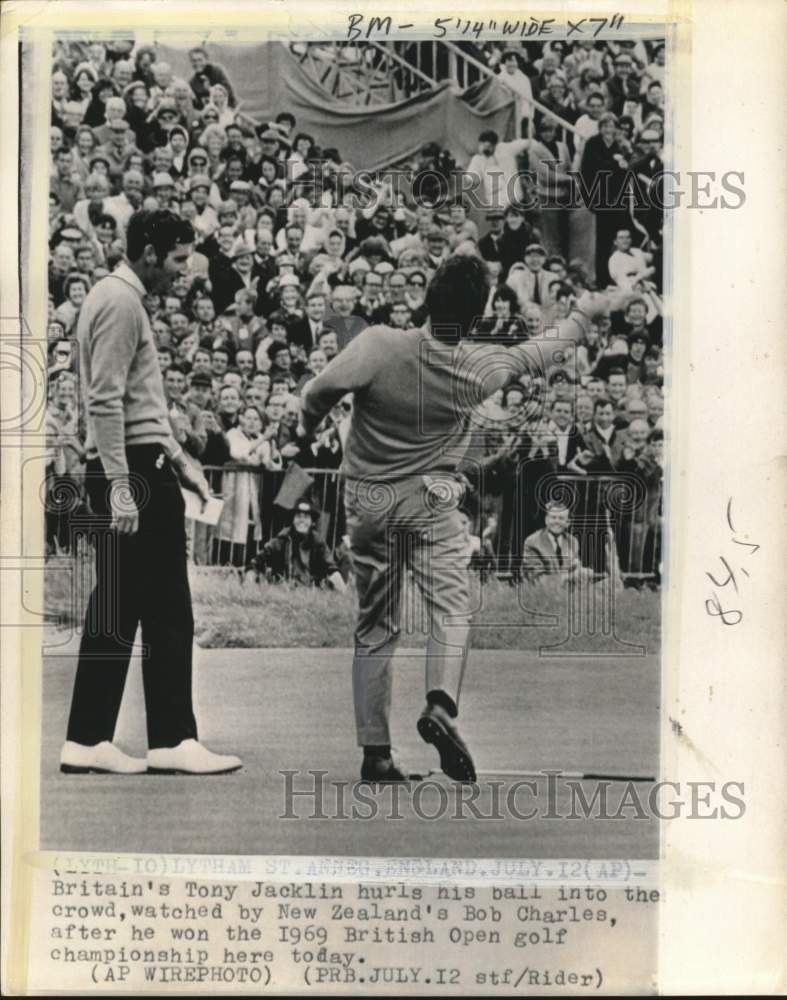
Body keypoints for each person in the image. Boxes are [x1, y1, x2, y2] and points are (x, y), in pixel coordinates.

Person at [300, 254, 611, 783]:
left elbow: (316, 392)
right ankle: (441, 704)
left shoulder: (378, 343)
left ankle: (376, 753)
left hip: (369, 503)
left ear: (428, 296)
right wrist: (583, 312)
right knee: (452, 606)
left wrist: (309, 427)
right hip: (430, 502)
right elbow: (543, 350)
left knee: (375, 625)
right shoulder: (477, 367)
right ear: (476, 315)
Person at [61, 209, 242, 776]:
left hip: (138, 461)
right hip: (132, 470)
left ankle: (87, 739)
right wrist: (121, 487)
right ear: (146, 253)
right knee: (167, 607)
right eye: (178, 258)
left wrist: (181, 461)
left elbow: (132, 402)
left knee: (118, 605)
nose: (185, 270)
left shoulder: (116, 298)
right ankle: (170, 740)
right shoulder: (120, 302)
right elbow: (105, 400)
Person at [250, 502, 347, 590]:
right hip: (284, 588)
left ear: (312, 522)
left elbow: (331, 568)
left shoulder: (318, 542)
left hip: (312, 591)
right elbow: (256, 563)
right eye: (298, 516)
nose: (302, 520)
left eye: (306, 517)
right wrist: (250, 581)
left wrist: (343, 592)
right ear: (293, 520)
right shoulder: (282, 540)